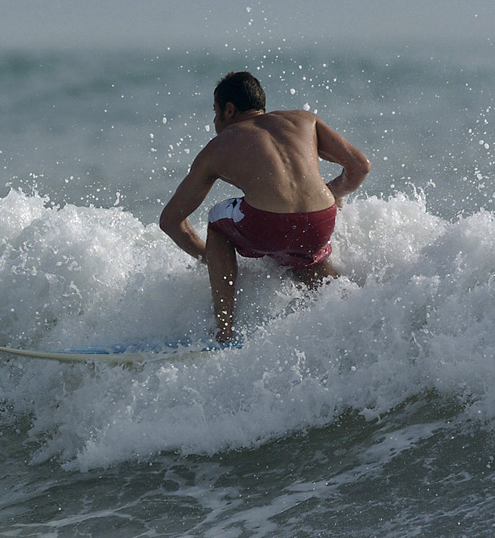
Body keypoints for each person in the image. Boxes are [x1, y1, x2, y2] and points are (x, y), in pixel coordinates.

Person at [159, 71, 371, 342]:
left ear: (229, 109)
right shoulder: (304, 120)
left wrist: (210, 258)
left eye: (215, 111)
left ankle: (223, 331)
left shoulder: (218, 147)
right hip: (321, 220)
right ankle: (357, 314)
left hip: (268, 226)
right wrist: (332, 192)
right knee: (303, 253)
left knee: (217, 219)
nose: (214, 121)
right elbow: (360, 166)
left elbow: (170, 220)